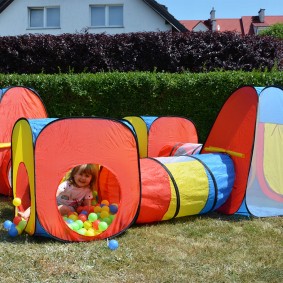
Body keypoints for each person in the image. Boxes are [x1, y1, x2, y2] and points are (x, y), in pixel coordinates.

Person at [18, 163, 98, 220]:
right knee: (39, 203)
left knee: (64, 208)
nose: (83, 178)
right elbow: (56, 194)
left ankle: (43, 216)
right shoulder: (67, 184)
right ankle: (25, 214)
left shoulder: (87, 190)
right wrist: (47, 203)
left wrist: (86, 215)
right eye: (81, 174)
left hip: (70, 209)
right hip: (55, 203)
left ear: (91, 178)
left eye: (87, 176)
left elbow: (88, 206)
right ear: (74, 175)